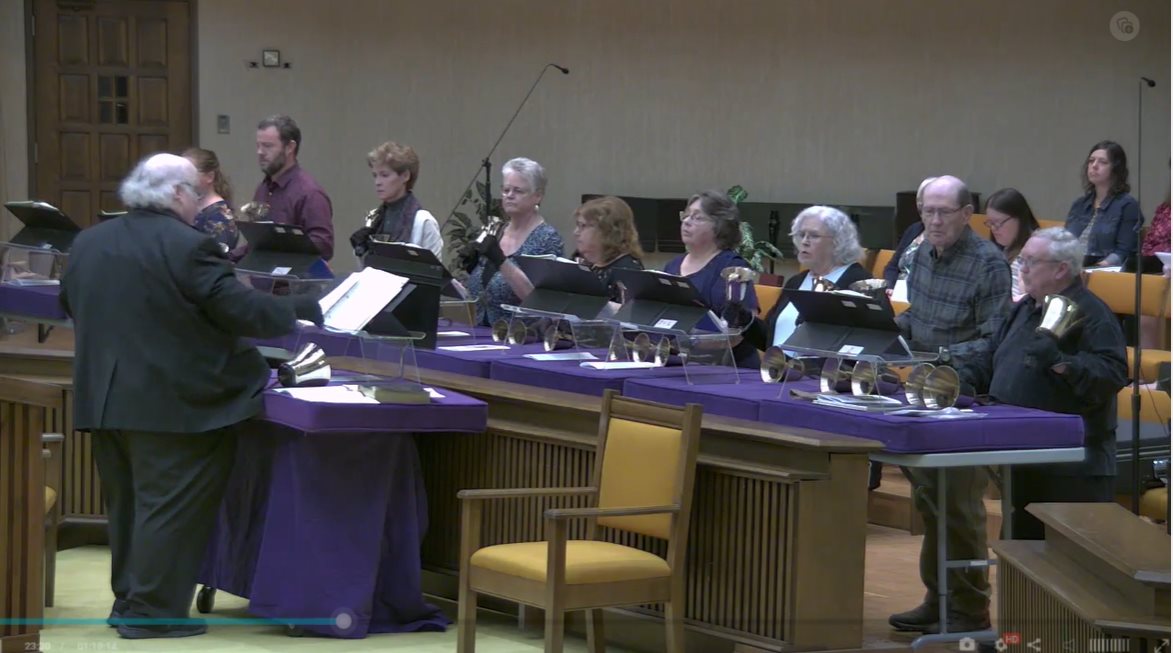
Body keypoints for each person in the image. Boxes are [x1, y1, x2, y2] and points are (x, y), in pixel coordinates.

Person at [59, 153, 323, 640]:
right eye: (195, 196)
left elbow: (69, 303)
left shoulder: (89, 242)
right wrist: (312, 307)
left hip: (103, 400)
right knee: (169, 509)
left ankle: (130, 602)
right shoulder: (188, 246)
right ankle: (152, 615)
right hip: (175, 404)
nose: (198, 205)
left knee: (129, 508)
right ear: (179, 195)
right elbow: (242, 311)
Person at [888, 175, 1011, 635]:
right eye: (928, 212)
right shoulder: (919, 254)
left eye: (944, 212)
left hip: (964, 394)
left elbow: (993, 340)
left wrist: (934, 358)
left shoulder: (989, 264)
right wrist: (888, 332)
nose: (935, 220)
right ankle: (938, 597)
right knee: (930, 500)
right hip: (919, 385)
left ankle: (970, 610)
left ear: (966, 214)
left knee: (958, 504)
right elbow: (916, 317)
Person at [956, 227, 1128, 539]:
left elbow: (1113, 373)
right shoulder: (1025, 308)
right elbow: (994, 354)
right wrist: (965, 376)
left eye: (1031, 262)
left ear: (1061, 268)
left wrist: (1062, 362)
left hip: (1073, 468)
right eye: (1022, 260)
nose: (1022, 268)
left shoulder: (1092, 313)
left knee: (1066, 565)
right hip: (1025, 455)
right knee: (1023, 558)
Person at [739, 205, 870, 352]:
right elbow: (769, 338)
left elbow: (868, 343)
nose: (805, 242)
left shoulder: (859, 282)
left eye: (814, 236)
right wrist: (743, 318)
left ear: (838, 242)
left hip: (823, 373)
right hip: (778, 371)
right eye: (801, 235)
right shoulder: (796, 281)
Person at [663, 190, 759, 367]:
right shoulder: (672, 266)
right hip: (678, 363)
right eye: (686, 216)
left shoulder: (732, 269)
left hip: (727, 369)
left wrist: (685, 342)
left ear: (720, 226)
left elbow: (738, 333)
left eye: (697, 218)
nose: (686, 222)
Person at [464, 157, 564, 326]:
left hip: (520, 337)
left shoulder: (547, 239)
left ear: (537, 196)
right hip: (480, 334)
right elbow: (477, 295)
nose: (509, 196)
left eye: (518, 191)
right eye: (506, 190)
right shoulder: (496, 231)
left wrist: (501, 261)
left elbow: (542, 303)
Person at [252, 114, 335, 260]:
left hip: (290, 281)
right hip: (261, 278)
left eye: (267, 146)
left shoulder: (309, 193)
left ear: (290, 147)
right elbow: (257, 244)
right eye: (258, 145)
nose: (260, 152)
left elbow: (324, 246)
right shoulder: (263, 188)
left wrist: (281, 242)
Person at [350, 141, 442, 259]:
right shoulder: (374, 218)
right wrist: (360, 249)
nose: (377, 182)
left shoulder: (424, 221)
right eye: (375, 175)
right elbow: (366, 268)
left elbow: (435, 273)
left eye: (384, 175)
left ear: (405, 176)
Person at [1063, 140, 1141, 267]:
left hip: (1102, 270)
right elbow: (1063, 243)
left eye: (1102, 162)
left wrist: (1097, 268)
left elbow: (1124, 252)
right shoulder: (1079, 204)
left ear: (1116, 169)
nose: (1094, 165)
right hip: (1070, 268)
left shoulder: (1128, 206)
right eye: (1091, 161)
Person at [572, 196, 644, 303]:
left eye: (583, 226)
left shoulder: (628, 271)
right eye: (577, 225)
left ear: (607, 231)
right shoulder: (579, 259)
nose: (576, 232)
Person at [983, 188, 1040, 302]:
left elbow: (1030, 298)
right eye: (990, 223)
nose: (993, 229)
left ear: (1019, 218)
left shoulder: (1036, 249)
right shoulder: (1005, 247)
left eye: (998, 223)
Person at [182, 148, 240, 252]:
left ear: (209, 176)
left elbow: (215, 259)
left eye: (189, 173)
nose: (183, 178)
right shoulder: (191, 206)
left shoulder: (219, 216)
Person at [883, 177, 936, 288]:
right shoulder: (914, 229)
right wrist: (891, 287)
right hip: (896, 293)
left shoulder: (946, 236)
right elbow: (892, 267)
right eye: (920, 202)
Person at [1139, 193, 1170, 349]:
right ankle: (1150, 368)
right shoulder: (1165, 208)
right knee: (1147, 313)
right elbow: (1148, 243)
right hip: (1158, 268)